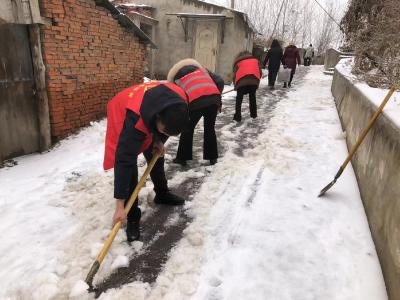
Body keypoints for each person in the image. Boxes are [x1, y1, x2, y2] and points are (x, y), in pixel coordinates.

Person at [103, 81, 190, 242]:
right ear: (157, 117)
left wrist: (159, 140)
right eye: (164, 131)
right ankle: (132, 214)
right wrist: (120, 206)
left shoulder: (178, 102)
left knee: (156, 156)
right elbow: (124, 161)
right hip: (122, 111)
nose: (166, 134)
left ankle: (162, 194)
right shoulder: (133, 121)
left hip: (150, 111)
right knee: (130, 169)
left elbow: (165, 128)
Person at [167, 58, 224, 166]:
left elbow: (178, 98)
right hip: (213, 100)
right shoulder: (203, 71)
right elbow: (220, 81)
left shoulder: (177, 79)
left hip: (196, 102)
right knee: (209, 128)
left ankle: (182, 158)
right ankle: (212, 158)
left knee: (187, 128)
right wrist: (217, 95)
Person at [232, 51, 261, 122]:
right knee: (252, 97)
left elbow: (235, 74)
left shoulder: (238, 62)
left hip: (241, 81)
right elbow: (260, 72)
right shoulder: (255, 61)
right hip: (253, 81)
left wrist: (235, 85)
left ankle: (237, 116)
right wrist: (256, 82)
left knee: (239, 99)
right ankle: (254, 114)